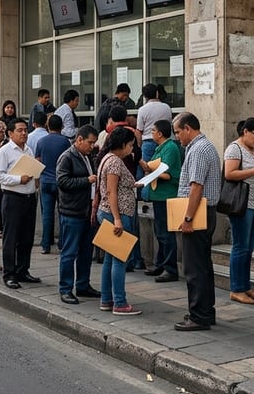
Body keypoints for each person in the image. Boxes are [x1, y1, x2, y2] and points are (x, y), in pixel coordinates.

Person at [173, 112, 222, 332]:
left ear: (188, 128)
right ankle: (204, 311)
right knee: (202, 264)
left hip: (198, 212)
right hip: (204, 211)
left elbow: (196, 187)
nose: (177, 137)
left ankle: (199, 315)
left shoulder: (200, 150)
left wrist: (188, 218)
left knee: (194, 267)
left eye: (177, 132)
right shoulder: (202, 147)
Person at [94, 127, 143, 316]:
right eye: (131, 145)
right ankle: (120, 302)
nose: (132, 149)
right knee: (119, 260)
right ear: (122, 145)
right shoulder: (114, 162)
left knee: (109, 259)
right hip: (117, 214)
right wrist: (117, 219)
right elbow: (111, 191)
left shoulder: (107, 158)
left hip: (109, 213)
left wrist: (133, 184)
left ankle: (107, 299)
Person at [224, 118, 254, 305]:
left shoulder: (253, 150)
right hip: (241, 204)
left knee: (249, 248)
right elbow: (230, 173)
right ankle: (236, 288)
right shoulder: (234, 149)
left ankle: (246, 285)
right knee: (240, 246)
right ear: (245, 131)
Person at [56, 124, 102, 304]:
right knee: (69, 252)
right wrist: (86, 180)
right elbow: (62, 181)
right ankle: (65, 288)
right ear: (79, 139)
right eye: (90, 142)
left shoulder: (88, 156)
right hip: (72, 212)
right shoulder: (67, 157)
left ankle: (83, 285)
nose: (92, 146)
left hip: (87, 211)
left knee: (86, 251)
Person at [0, 119, 39, 289]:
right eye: (19, 130)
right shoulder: (5, 151)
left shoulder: (29, 150)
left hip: (29, 198)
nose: (24, 133)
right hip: (13, 197)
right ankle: (9, 274)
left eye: (25, 130)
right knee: (11, 238)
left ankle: (23, 270)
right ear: (10, 133)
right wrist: (19, 179)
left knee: (27, 238)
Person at [143, 119, 182, 282]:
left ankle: (170, 268)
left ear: (160, 133)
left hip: (167, 195)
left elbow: (167, 173)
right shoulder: (160, 148)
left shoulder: (170, 148)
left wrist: (151, 169)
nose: (151, 133)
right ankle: (160, 264)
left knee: (166, 233)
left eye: (153, 131)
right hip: (157, 195)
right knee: (160, 233)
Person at [35, 115, 70, 255]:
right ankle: (62, 243)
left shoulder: (41, 141)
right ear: (62, 127)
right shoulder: (65, 142)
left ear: (48, 126)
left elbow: (37, 161)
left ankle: (45, 245)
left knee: (47, 215)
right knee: (63, 213)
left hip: (45, 181)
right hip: (61, 182)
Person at [136, 83, 173, 168]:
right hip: (165, 142)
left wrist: (139, 145)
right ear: (157, 93)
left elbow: (139, 131)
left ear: (144, 96)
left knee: (147, 168)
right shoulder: (166, 107)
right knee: (164, 168)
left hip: (148, 143)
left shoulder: (142, 110)